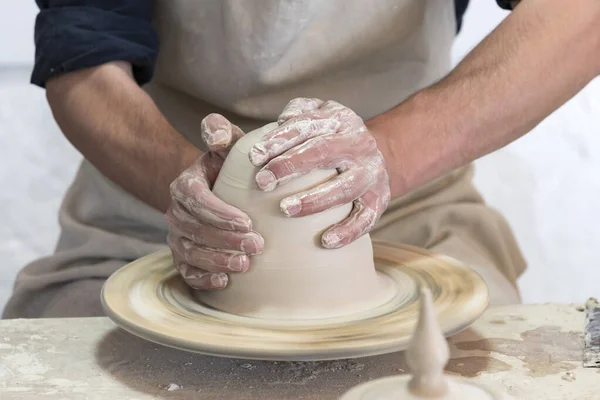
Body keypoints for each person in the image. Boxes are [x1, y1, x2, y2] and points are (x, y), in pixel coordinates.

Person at [3, 0, 599, 318]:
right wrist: (186, 190)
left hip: (408, 205)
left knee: (476, 368)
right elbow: (81, 58)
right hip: (153, 210)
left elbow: (582, 15)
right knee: (60, 359)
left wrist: (389, 152)